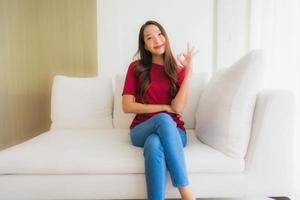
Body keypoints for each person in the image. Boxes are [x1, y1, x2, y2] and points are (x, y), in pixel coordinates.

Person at [122, 20, 197, 200]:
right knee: (164, 118)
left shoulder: (177, 71)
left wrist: (188, 71)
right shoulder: (136, 68)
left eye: (159, 34)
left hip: (176, 132)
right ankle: (186, 193)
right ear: (145, 46)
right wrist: (163, 108)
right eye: (150, 38)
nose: (157, 40)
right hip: (142, 128)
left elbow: (178, 107)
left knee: (154, 144)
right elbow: (127, 106)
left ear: (165, 37)